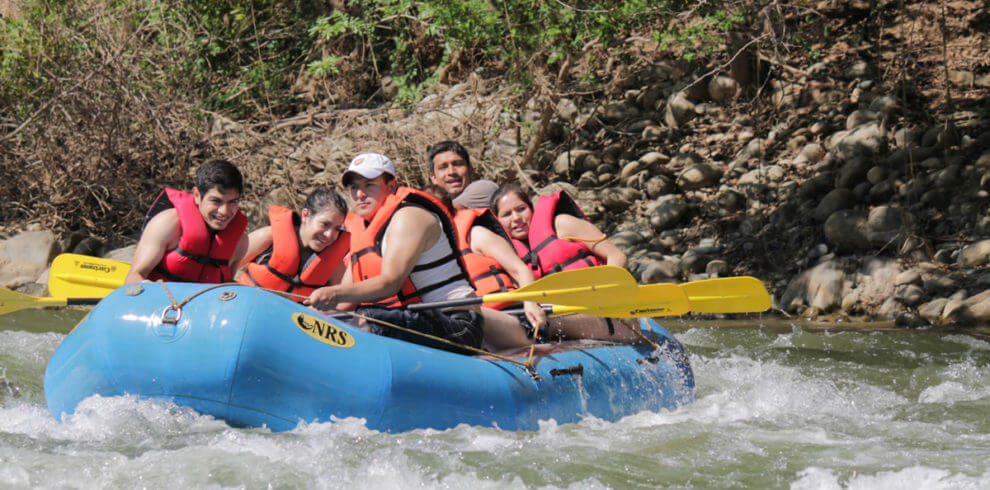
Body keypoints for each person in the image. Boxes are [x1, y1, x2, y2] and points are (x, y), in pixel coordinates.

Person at [304, 153, 485, 354]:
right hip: (416, 320)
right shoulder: (365, 229)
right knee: (317, 317)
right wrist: (312, 311)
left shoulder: (409, 216)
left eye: (369, 185)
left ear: (391, 185)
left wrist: (333, 292)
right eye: (354, 187)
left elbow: (391, 283)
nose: (360, 194)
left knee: (365, 320)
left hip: (458, 327)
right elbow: (347, 298)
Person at [491, 183, 640, 342]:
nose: (516, 218)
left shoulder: (562, 224)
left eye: (521, 209)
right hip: (565, 320)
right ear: (498, 221)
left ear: (531, 208)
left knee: (533, 321)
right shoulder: (509, 256)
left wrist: (606, 291)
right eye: (507, 214)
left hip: (607, 315)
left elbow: (617, 256)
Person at [422, 184, 547, 349]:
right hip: (467, 325)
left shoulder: (475, 235)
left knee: (466, 315)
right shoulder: (421, 254)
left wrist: (531, 303)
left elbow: (520, 270)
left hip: (511, 317)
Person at [125, 160, 249, 284]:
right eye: (216, 201)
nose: (224, 211)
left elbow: (226, 285)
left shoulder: (240, 242)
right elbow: (133, 278)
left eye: (232, 202)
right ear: (197, 195)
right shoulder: (168, 224)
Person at [237, 187, 350, 300]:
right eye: (325, 224)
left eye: (337, 229)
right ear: (305, 215)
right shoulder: (269, 237)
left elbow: (343, 301)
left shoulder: (332, 263)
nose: (330, 235)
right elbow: (225, 268)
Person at [427, 140, 499, 210]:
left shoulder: (485, 188)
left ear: (470, 169)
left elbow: (450, 211)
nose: (451, 172)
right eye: (443, 167)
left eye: (458, 164)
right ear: (434, 178)